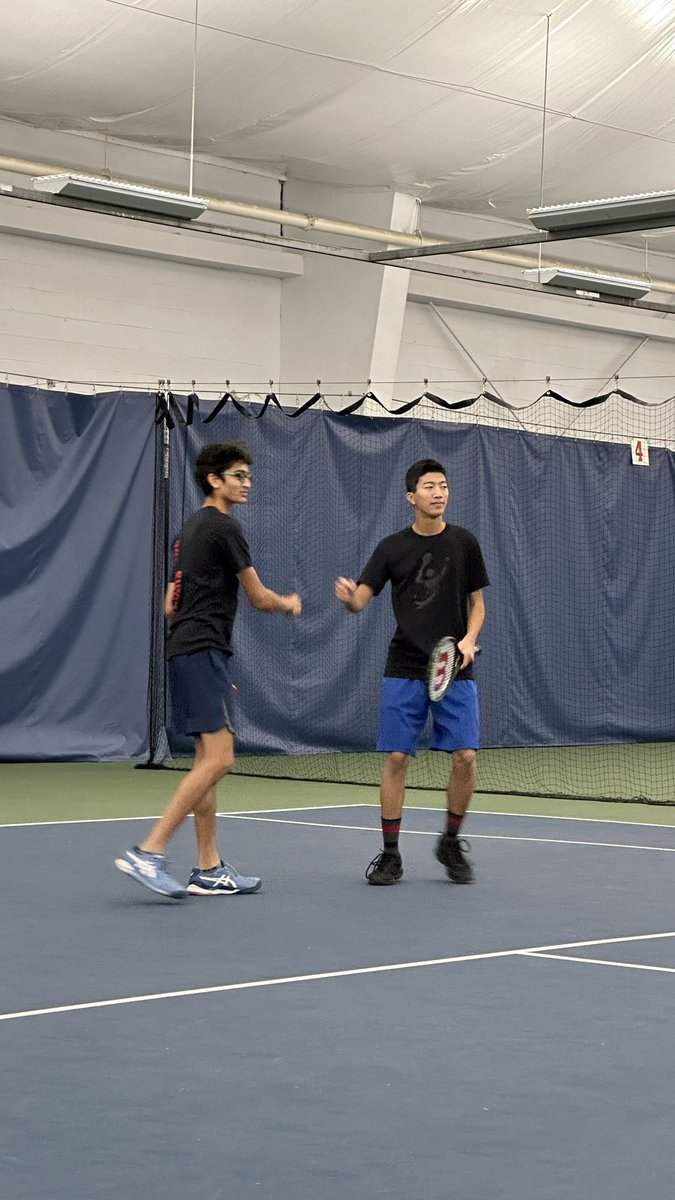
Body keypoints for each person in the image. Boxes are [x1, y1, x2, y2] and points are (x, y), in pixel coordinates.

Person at [116, 441, 302, 899]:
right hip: (202, 649)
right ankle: (150, 851)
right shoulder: (223, 527)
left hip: (187, 649)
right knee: (221, 759)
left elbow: (170, 604)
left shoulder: (189, 530)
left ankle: (209, 867)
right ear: (214, 480)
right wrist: (288, 604)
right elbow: (258, 598)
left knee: (207, 760)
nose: (247, 483)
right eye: (238, 475)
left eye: (249, 475)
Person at [335, 458, 489, 886]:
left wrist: (468, 640)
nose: (439, 493)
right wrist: (349, 598)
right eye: (429, 486)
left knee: (466, 756)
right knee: (397, 757)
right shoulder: (391, 548)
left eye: (443, 485)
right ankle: (390, 855)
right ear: (411, 496)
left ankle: (450, 841)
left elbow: (478, 604)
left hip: (453, 666)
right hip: (404, 665)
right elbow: (361, 600)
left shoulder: (464, 543)